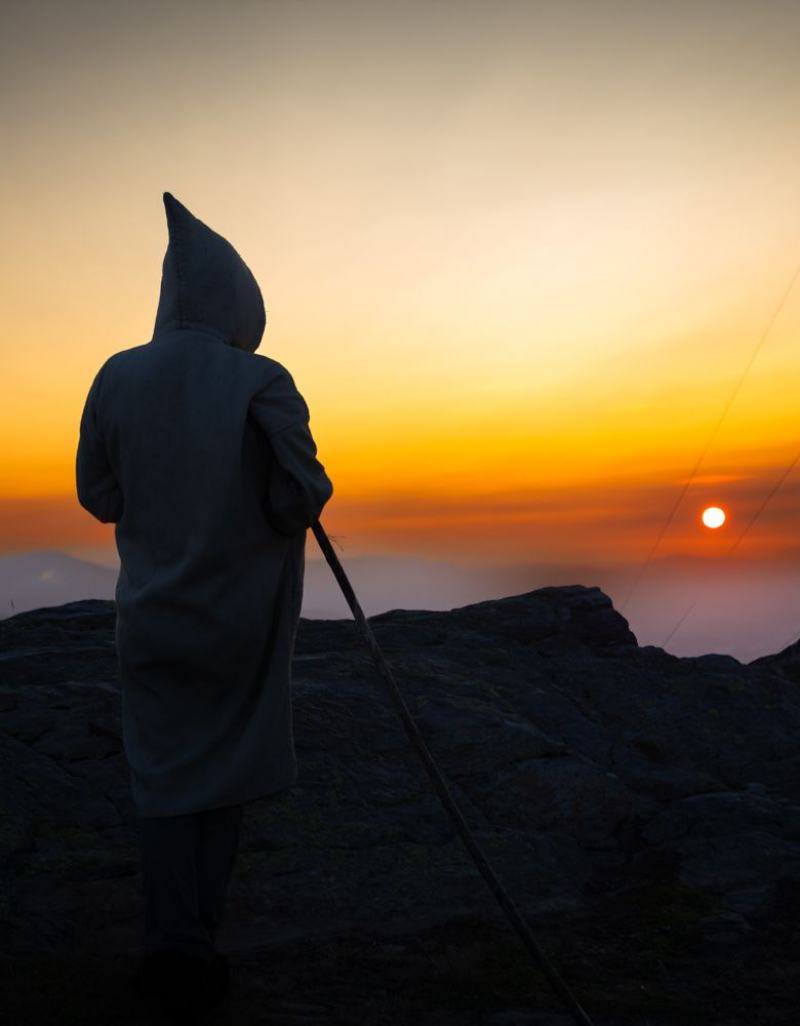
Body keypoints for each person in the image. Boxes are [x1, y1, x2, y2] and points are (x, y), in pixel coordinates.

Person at [76, 192, 333, 1022]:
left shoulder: (116, 375)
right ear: (239, 300)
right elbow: (304, 495)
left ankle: (169, 948)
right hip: (239, 623)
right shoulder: (259, 377)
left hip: (150, 617)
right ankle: (199, 947)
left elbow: (99, 496)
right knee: (222, 780)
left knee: (162, 781)